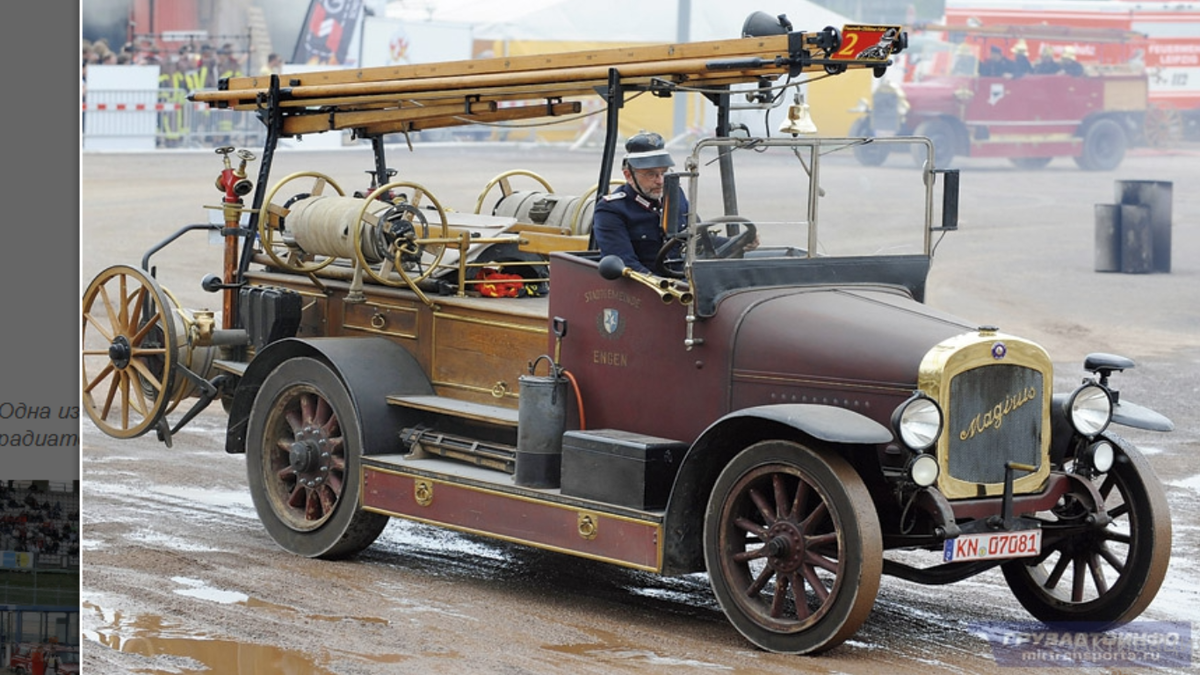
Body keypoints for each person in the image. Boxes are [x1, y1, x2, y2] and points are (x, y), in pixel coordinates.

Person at [592, 131, 690, 275]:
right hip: (642, 289)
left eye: (664, 172)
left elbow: (699, 240)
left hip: (683, 279)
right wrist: (668, 286)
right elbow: (626, 265)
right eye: (651, 174)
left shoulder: (676, 196)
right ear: (628, 175)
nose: (660, 181)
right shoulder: (611, 210)